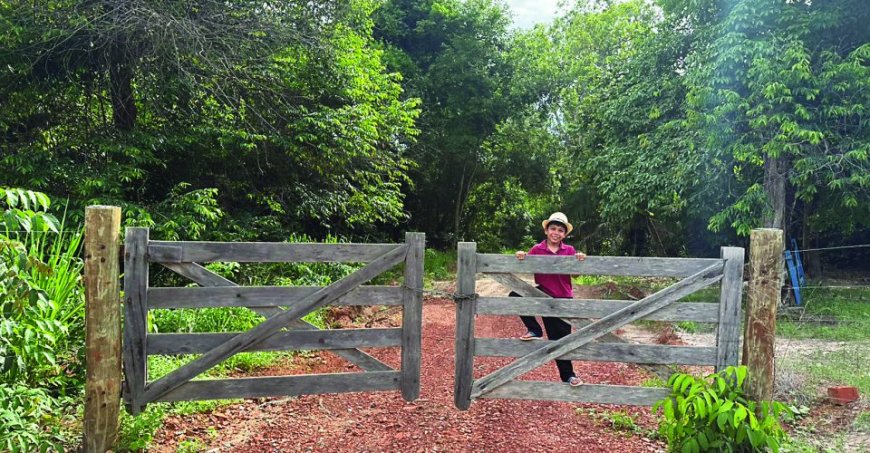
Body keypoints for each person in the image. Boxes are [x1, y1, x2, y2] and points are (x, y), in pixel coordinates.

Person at [512, 212, 586, 387]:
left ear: (564, 234)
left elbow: (576, 274)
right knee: (515, 295)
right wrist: (521, 255)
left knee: (561, 339)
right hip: (543, 295)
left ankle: (568, 376)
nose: (556, 232)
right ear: (546, 230)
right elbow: (524, 264)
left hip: (563, 298)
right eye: (553, 228)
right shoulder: (537, 249)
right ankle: (534, 329)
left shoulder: (569, 250)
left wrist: (579, 260)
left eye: (560, 230)